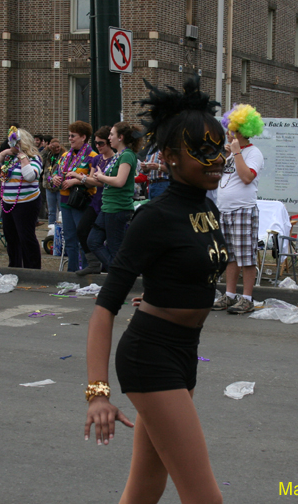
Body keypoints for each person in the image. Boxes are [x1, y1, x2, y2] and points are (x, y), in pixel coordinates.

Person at [85, 76, 227, 504]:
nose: (217, 159)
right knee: (205, 498)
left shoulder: (208, 206)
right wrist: (97, 392)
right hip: (152, 357)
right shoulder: (154, 216)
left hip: (183, 353)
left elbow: (185, 272)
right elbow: (105, 304)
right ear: (168, 157)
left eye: (219, 147)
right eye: (203, 151)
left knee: (146, 487)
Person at [210, 104, 265, 315]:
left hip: (243, 210)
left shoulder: (253, 153)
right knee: (230, 256)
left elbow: (247, 177)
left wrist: (237, 153)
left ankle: (247, 298)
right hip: (225, 211)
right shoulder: (233, 154)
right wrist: (228, 156)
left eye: (231, 129)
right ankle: (230, 295)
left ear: (241, 130)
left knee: (246, 256)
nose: (227, 133)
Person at [88, 121, 139, 268]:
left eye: (111, 134)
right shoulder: (118, 155)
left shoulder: (127, 155)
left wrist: (101, 177)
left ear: (121, 137)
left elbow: (120, 181)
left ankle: (119, 277)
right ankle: (118, 273)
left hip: (118, 208)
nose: (109, 137)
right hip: (108, 207)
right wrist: (101, 176)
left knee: (115, 248)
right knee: (93, 241)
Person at [0, 127, 43, 269]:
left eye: (15, 141)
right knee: (11, 237)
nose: (12, 144)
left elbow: (31, 176)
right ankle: (14, 266)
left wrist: (23, 157)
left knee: (26, 237)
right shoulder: (9, 159)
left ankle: (32, 269)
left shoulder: (34, 158)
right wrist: (5, 152)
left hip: (26, 203)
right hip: (8, 203)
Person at [53, 122, 97, 271]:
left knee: (82, 239)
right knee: (70, 239)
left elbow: (94, 181)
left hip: (81, 203)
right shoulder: (66, 156)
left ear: (83, 137)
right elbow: (54, 173)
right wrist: (54, 179)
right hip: (65, 202)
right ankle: (71, 272)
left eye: (73, 136)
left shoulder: (92, 156)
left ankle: (85, 270)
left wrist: (76, 180)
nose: (70, 139)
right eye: (69, 135)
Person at [74, 126, 113, 276]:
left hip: (109, 201)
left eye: (101, 143)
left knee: (109, 237)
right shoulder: (97, 158)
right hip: (97, 201)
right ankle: (94, 263)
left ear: (109, 142)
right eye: (96, 143)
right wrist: (84, 178)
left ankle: (110, 266)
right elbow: (91, 182)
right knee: (82, 230)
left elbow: (102, 182)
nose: (98, 146)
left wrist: (80, 177)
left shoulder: (115, 159)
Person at [41, 137, 63, 228]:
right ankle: (51, 229)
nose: (57, 149)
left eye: (58, 147)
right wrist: (47, 148)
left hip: (59, 186)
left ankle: (62, 228)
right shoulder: (48, 155)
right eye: (55, 147)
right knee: (51, 211)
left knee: (61, 210)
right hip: (49, 186)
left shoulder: (64, 155)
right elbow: (40, 158)